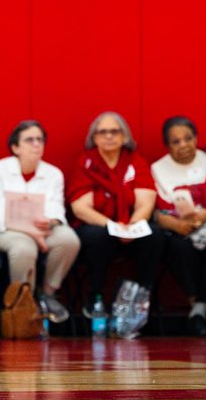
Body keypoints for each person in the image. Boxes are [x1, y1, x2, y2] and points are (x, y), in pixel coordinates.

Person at [68, 111, 165, 313]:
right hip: (101, 228)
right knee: (98, 237)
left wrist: (131, 226)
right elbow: (81, 208)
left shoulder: (135, 161)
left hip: (130, 226)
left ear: (125, 136)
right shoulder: (86, 162)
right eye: (103, 132)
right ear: (94, 137)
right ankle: (96, 296)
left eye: (114, 131)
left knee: (153, 234)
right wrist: (113, 227)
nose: (109, 136)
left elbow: (146, 202)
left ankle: (143, 297)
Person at [0, 120, 79, 324]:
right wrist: (34, 234)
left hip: (43, 229)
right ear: (15, 147)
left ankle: (47, 294)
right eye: (29, 140)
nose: (36, 144)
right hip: (7, 230)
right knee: (24, 249)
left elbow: (56, 209)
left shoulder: (53, 173)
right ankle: (23, 303)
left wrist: (51, 222)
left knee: (69, 240)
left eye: (40, 139)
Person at [150, 116, 206, 336]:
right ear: (167, 145)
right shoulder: (158, 169)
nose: (183, 145)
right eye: (175, 142)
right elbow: (156, 211)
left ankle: (201, 311)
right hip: (178, 228)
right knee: (179, 247)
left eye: (188, 138)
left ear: (196, 138)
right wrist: (177, 224)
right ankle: (198, 309)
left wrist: (205, 215)